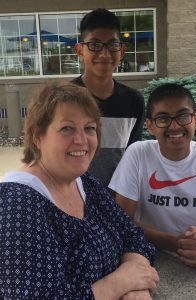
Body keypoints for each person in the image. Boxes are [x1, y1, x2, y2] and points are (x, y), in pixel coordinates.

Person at [0, 83, 159, 299]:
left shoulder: (83, 182)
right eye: (67, 128)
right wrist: (120, 282)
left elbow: (132, 235)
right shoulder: (18, 203)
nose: (82, 140)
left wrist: (136, 281)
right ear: (38, 135)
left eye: (89, 128)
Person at [109, 83, 196, 268]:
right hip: (147, 253)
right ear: (150, 125)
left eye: (183, 116)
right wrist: (174, 242)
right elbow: (122, 222)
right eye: (163, 118)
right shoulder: (138, 155)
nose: (174, 126)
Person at [72, 8, 145, 187]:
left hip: (117, 201)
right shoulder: (65, 98)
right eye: (95, 45)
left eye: (112, 45)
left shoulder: (133, 101)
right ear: (80, 50)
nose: (104, 54)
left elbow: (132, 157)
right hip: (72, 199)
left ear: (122, 51)